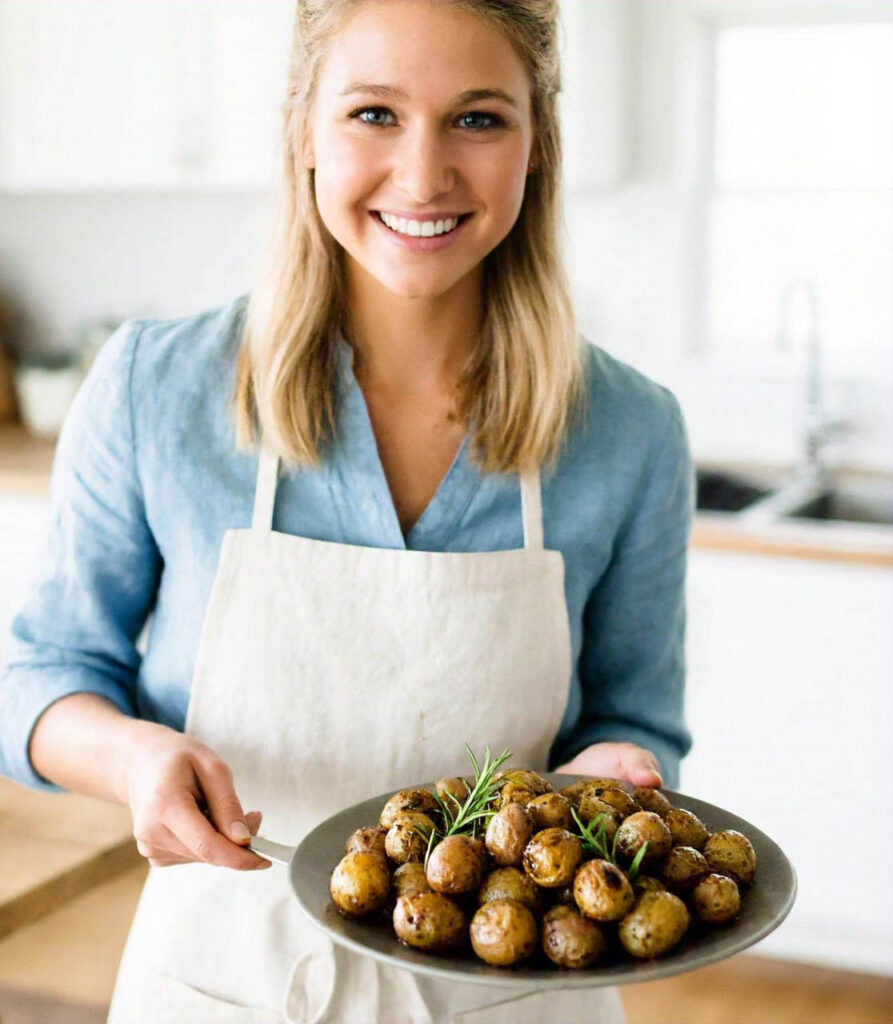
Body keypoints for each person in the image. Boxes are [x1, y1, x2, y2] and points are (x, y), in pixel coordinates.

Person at [0, 1, 694, 1021]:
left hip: (517, 993)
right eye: (373, 113)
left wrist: (607, 779)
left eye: (477, 118)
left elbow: (636, 722)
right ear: (303, 130)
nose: (422, 176)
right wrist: (132, 757)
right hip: (224, 980)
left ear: (535, 142)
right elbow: (40, 679)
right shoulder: (156, 386)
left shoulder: (629, 430)